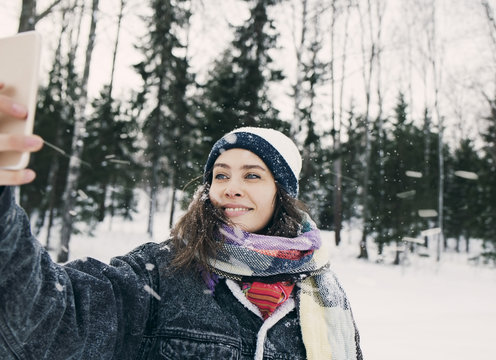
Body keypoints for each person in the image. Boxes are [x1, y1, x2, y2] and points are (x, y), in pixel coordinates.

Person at [0, 86, 363, 359]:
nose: (231, 189)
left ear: (280, 194)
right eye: (221, 176)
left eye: (252, 176)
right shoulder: (161, 272)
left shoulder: (322, 292)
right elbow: (49, 318)